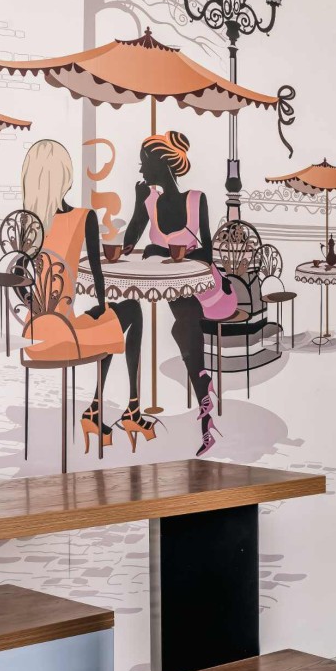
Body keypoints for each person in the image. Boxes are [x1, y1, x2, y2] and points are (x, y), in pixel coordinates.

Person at [19, 139, 126, 449]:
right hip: (65, 336)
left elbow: (18, 280)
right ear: (65, 176)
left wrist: (38, 306)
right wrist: (102, 308)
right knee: (125, 312)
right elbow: (97, 274)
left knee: (100, 319)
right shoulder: (84, 217)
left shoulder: (26, 223)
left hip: (32, 336)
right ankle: (101, 409)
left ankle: (97, 411)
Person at [122, 130, 216, 454]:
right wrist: (137, 203)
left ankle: (204, 408)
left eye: (144, 162)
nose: (140, 169)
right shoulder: (148, 200)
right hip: (159, 286)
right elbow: (128, 243)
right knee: (143, 315)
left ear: (162, 163)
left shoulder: (196, 199)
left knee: (185, 325)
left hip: (189, 287)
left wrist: (173, 255)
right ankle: (140, 403)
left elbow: (208, 253)